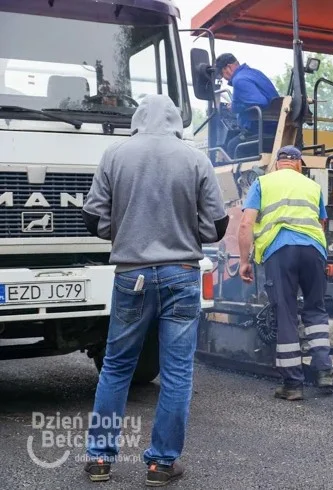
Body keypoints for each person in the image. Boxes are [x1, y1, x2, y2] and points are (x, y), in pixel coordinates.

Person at [81, 94, 229, 485]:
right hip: (182, 274)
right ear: (177, 121)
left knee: (116, 367)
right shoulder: (195, 157)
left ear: (137, 118)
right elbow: (216, 226)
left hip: (132, 275)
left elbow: (92, 217)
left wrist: (124, 230)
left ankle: (99, 459)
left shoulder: (116, 153)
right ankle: (161, 464)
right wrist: (186, 231)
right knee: (177, 373)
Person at [237, 145, 333, 401]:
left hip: (280, 251)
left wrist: (244, 261)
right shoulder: (313, 187)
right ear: (299, 164)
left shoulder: (263, 183)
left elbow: (246, 222)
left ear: (278, 163)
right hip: (313, 250)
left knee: (287, 314)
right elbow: (321, 222)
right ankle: (324, 371)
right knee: (316, 308)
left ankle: (293, 384)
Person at [215, 53, 280, 159]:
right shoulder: (254, 73)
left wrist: (234, 107)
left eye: (222, 74)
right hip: (274, 127)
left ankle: (242, 175)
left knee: (232, 146)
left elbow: (260, 102)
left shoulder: (239, 80)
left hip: (262, 130)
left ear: (228, 67)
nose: (224, 79)